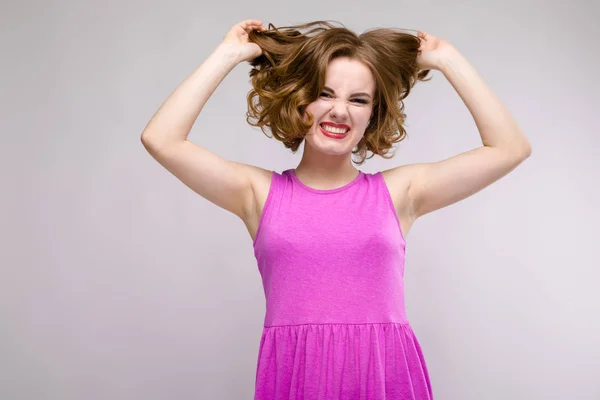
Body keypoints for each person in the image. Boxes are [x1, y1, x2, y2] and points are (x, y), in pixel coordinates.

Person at [141, 19, 532, 400]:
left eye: (358, 99)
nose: (340, 111)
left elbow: (509, 148)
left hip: (385, 377)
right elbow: (161, 138)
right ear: (299, 100)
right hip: (297, 378)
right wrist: (228, 54)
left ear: (372, 115)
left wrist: (448, 60)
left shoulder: (399, 193)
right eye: (325, 94)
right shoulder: (257, 194)